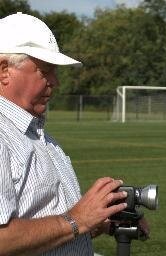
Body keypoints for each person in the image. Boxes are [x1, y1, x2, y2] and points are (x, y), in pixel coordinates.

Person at [0, 12, 149, 255]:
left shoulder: (39, 136)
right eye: (46, 70)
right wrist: (78, 220)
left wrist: (102, 220)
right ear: (5, 70)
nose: (55, 81)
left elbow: (48, 221)